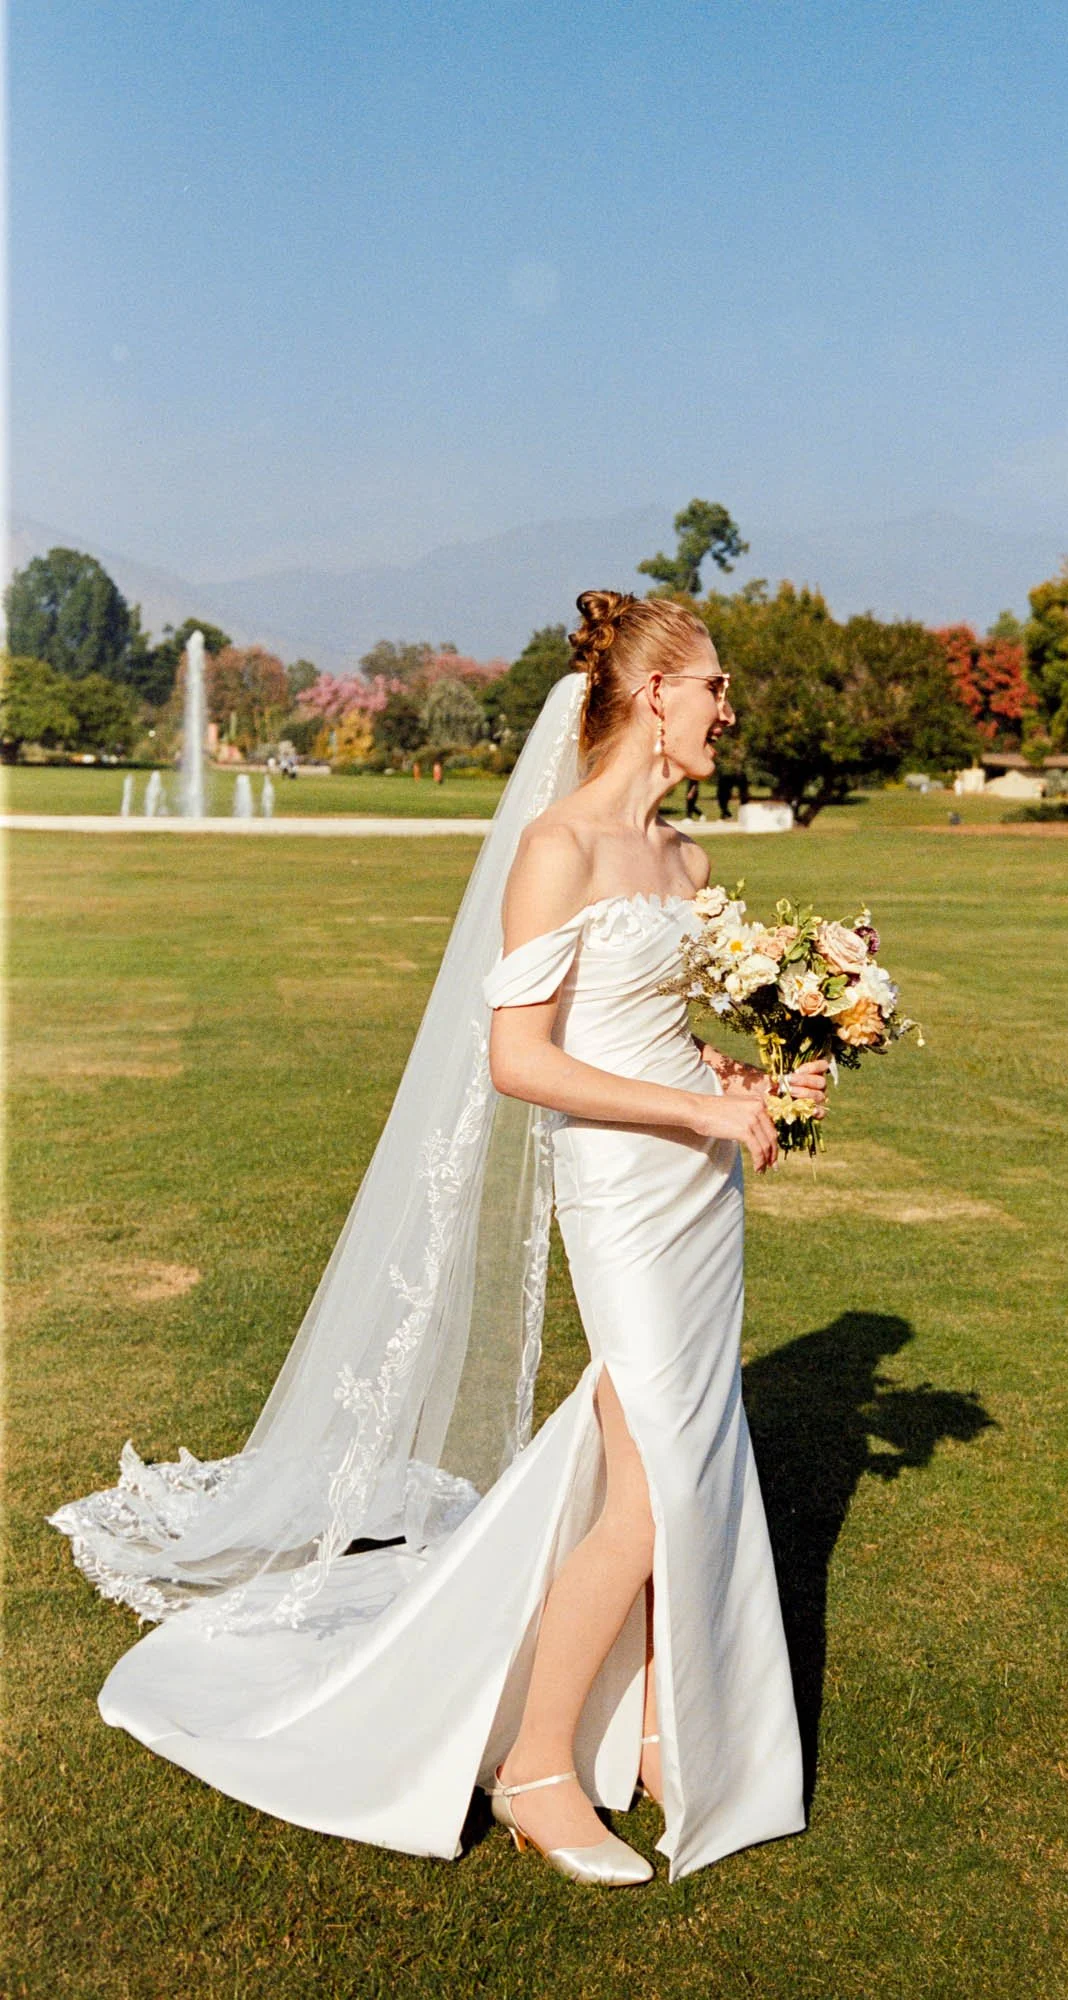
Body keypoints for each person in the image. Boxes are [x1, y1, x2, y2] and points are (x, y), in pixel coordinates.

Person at [49, 590, 826, 1888]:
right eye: (714, 689)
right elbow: (522, 1060)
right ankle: (533, 1767)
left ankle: (655, 1724)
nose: (728, 710)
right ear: (651, 697)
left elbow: (660, 1030)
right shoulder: (557, 849)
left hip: (701, 1199)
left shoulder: (685, 863)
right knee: (650, 1490)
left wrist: (747, 1084)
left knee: (688, 1458)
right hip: (625, 1197)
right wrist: (692, 1106)